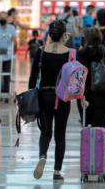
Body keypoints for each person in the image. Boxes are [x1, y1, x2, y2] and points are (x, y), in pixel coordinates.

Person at [28, 20, 71, 182]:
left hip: (44, 95)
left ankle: (42, 155)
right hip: (62, 97)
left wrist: (32, 93)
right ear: (63, 34)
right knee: (60, 135)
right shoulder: (70, 53)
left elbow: (33, 77)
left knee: (45, 132)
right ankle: (57, 171)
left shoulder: (41, 51)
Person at [77, 27, 105, 129]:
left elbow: (77, 75)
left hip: (85, 97)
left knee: (87, 131)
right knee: (101, 132)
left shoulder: (81, 53)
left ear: (86, 38)